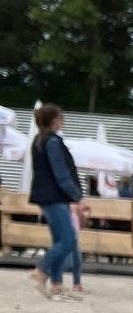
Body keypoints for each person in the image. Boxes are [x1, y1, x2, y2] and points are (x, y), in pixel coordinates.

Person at [27, 104, 86, 300]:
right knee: (69, 239)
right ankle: (41, 271)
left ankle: (57, 286)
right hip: (54, 197)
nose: (62, 122)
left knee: (59, 241)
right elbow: (61, 174)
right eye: (61, 119)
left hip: (47, 196)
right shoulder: (52, 142)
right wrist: (77, 196)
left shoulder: (39, 140)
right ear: (54, 121)